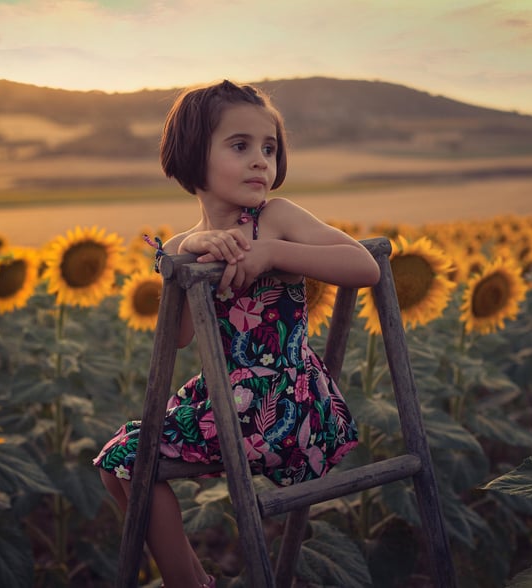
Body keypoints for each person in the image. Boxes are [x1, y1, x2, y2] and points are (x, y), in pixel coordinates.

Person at [93, 80, 381, 587]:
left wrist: (272, 254)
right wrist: (186, 262)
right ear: (192, 156)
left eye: (268, 149)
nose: (260, 162)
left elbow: (364, 266)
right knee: (116, 462)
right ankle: (192, 578)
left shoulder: (276, 219)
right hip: (225, 401)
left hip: (286, 404)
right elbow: (180, 336)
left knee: (127, 460)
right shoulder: (186, 243)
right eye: (240, 146)